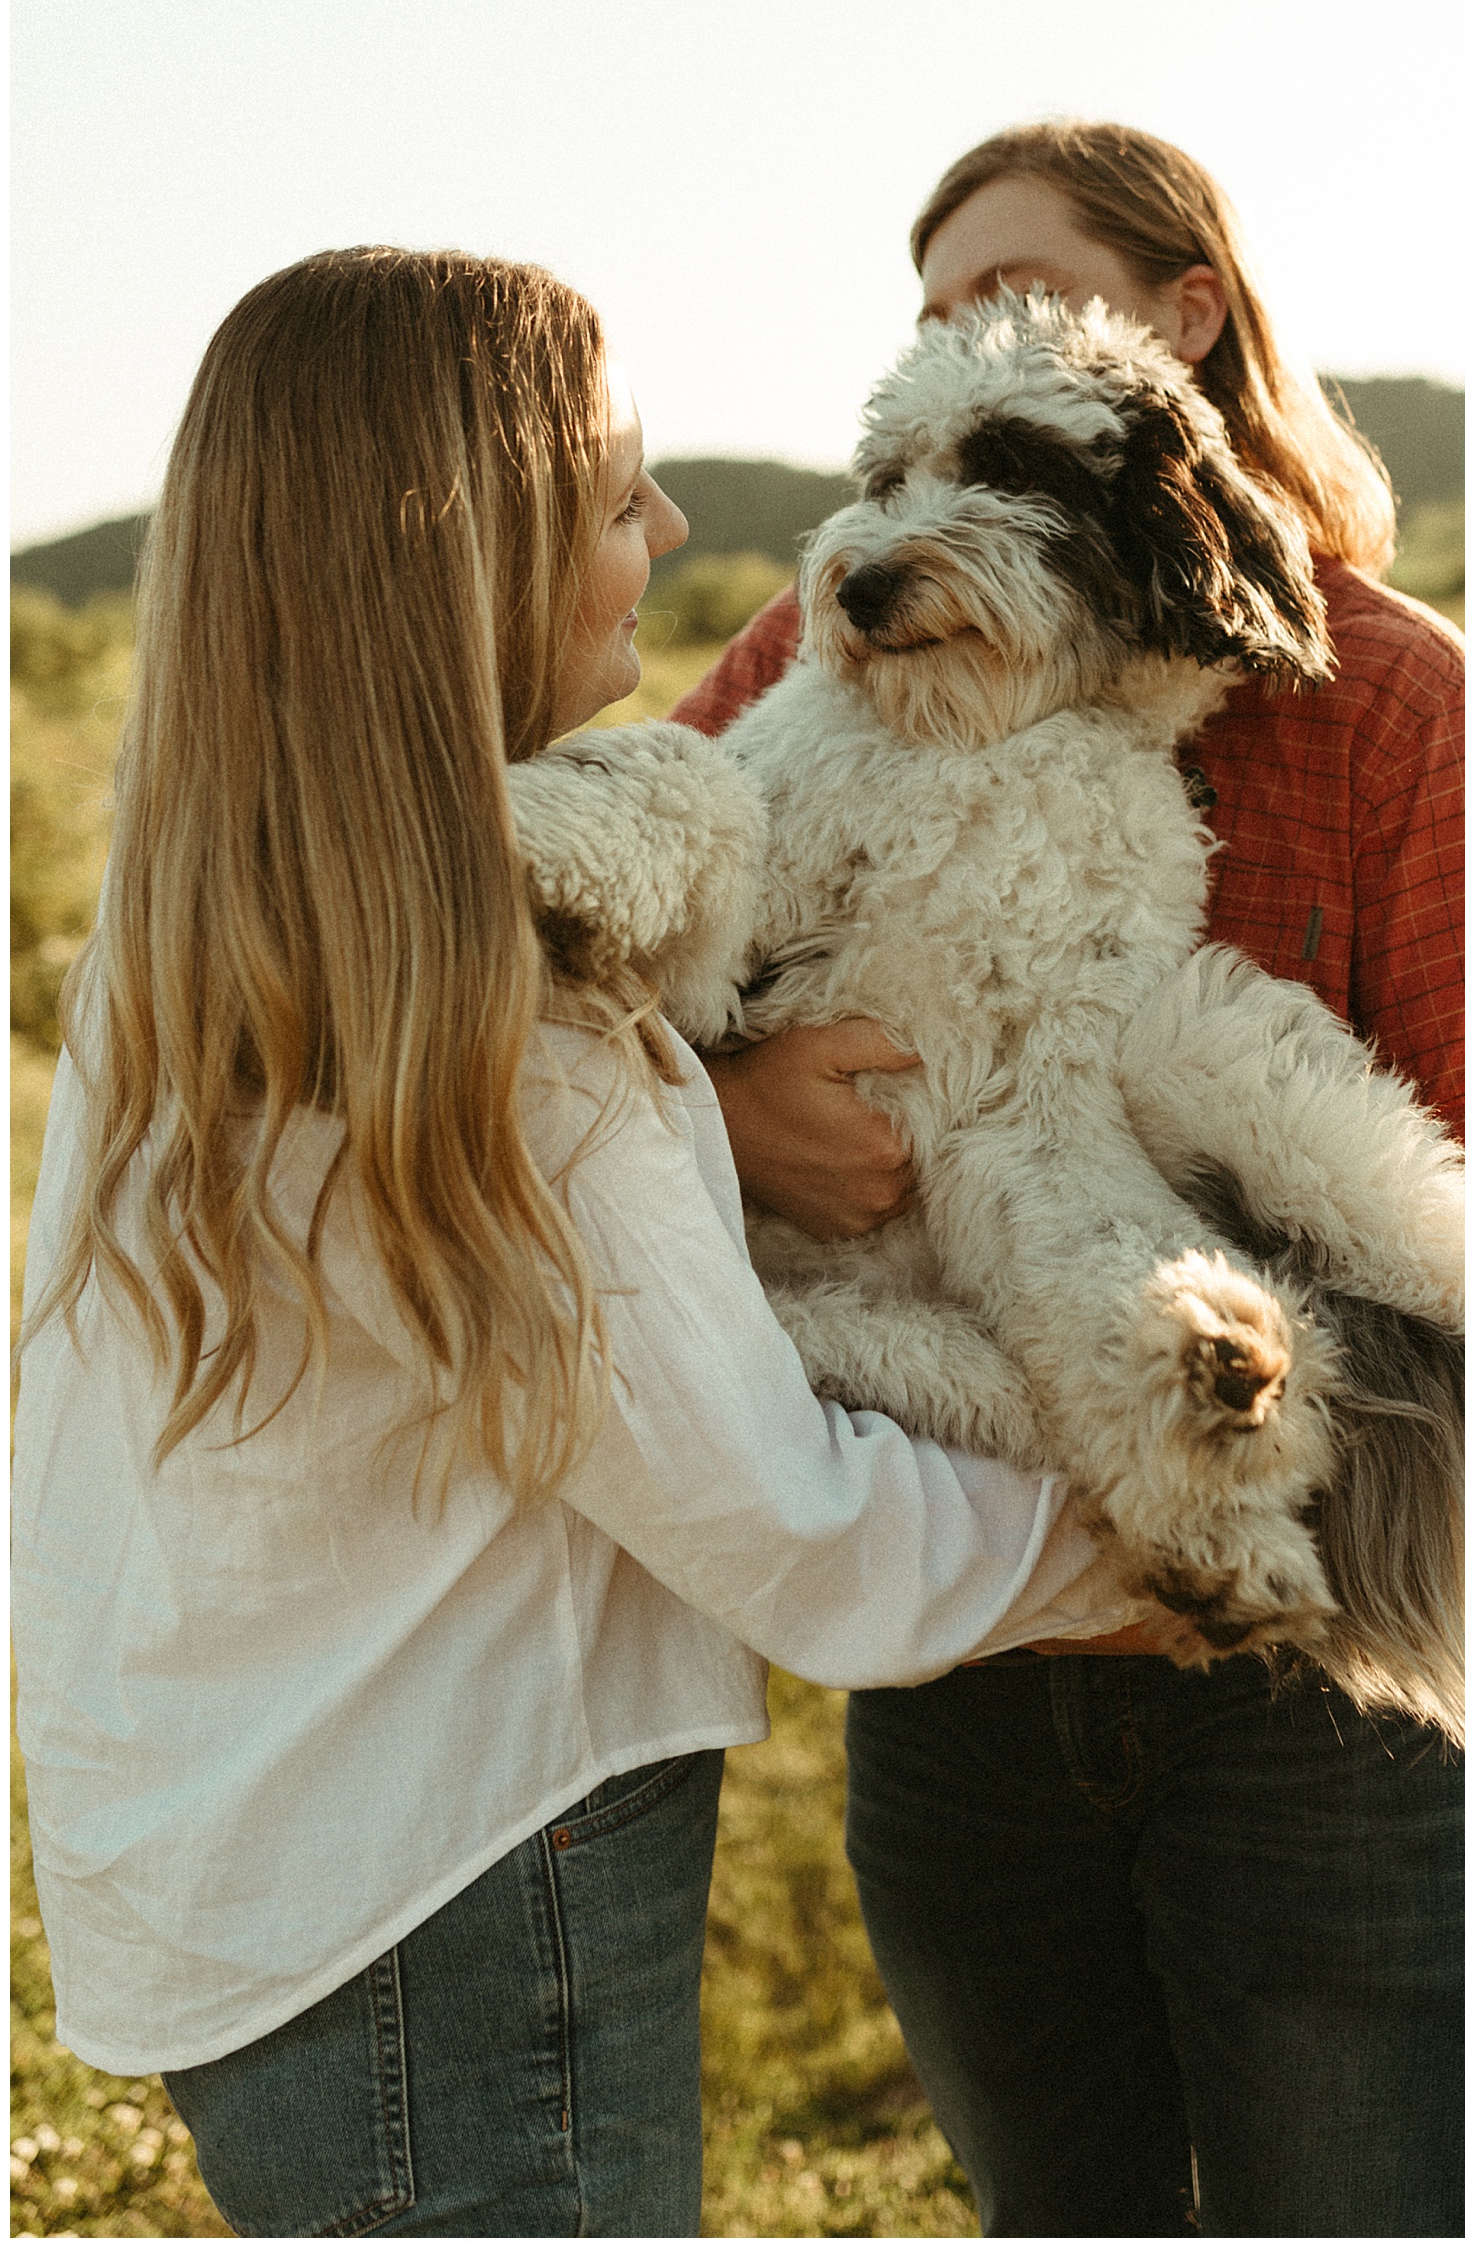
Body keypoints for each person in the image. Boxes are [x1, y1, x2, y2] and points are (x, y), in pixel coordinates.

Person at [10, 246, 1144, 2240]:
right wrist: (1150, 1534)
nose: (679, 530)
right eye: (622, 493)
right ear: (479, 547)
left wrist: (703, 1109)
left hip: (254, 1847)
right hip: (463, 1875)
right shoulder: (506, 1030)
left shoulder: (214, 932)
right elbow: (789, 1523)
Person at [670, 121, 1465, 2237]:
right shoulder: (823, 644)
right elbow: (633, 964)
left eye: (1001, 299)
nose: (960, 349)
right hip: (964, 1672)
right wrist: (740, 1105)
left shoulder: (1399, 703)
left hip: (1339, 1697)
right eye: (926, 323)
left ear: (1178, 320)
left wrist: (1234, 1433)